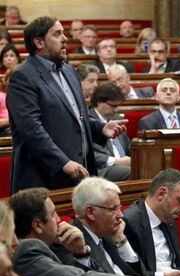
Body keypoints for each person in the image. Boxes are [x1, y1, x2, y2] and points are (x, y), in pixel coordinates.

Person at [6, 16, 128, 193]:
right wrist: (62, 161)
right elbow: (31, 128)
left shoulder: (69, 71)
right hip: (43, 180)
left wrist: (100, 128)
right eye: (57, 34)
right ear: (38, 42)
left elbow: (77, 115)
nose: (65, 38)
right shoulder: (23, 76)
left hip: (80, 174)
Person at [8, 188, 147, 276]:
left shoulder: (49, 246)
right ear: (37, 225)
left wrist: (81, 254)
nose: (58, 219)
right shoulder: (27, 251)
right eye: (53, 214)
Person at [71, 177, 156, 276]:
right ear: (90, 212)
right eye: (114, 209)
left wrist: (121, 241)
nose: (121, 215)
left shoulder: (106, 234)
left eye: (119, 208)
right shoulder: (70, 242)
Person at [90, 83, 132, 182]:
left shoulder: (118, 119)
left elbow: (128, 146)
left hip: (124, 165)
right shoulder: (88, 122)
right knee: (133, 171)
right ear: (99, 102)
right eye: (113, 106)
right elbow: (89, 154)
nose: (116, 110)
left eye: (118, 106)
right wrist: (117, 161)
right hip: (100, 170)